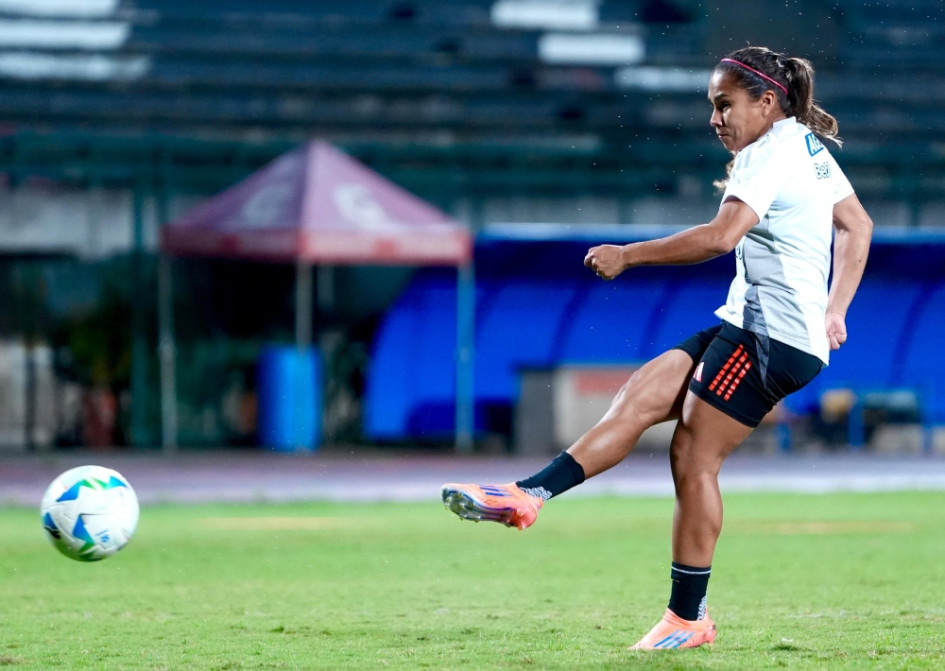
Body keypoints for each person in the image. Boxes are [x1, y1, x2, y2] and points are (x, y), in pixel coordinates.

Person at [440, 45, 873, 650]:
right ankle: (528, 494)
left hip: (771, 338)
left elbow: (721, 237)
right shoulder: (801, 142)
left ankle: (687, 618)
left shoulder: (770, 151)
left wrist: (628, 255)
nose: (715, 119)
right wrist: (835, 308)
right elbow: (857, 224)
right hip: (750, 324)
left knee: (693, 458)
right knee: (640, 395)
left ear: (767, 101)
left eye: (725, 104)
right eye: (712, 106)